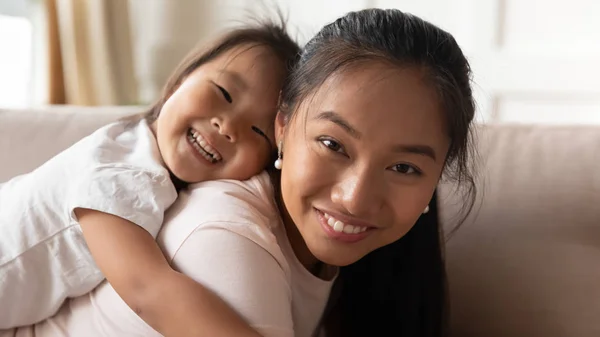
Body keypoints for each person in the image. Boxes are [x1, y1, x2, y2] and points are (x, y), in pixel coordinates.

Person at [1, 8, 477, 337]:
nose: (355, 197)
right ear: (285, 127)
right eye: (333, 144)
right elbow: (149, 288)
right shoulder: (121, 177)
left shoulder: (177, 186)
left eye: (403, 167)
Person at [0, 20, 300, 336]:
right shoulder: (121, 175)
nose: (227, 127)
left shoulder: (138, 153)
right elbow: (150, 292)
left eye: (258, 131)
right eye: (223, 93)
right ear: (179, 82)